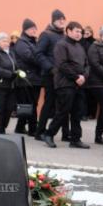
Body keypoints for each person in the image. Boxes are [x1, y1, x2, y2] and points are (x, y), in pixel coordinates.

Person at [42, 21, 90, 149]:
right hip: (65, 83)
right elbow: (62, 65)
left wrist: (84, 76)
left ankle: (75, 139)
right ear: (68, 31)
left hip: (79, 83)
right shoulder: (61, 45)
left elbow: (86, 65)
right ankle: (49, 134)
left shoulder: (80, 47)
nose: (79, 34)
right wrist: (76, 77)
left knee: (77, 112)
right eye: (76, 31)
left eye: (81, 32)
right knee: (63, 111)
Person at [34, 9, 68, 141]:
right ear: (53, 20)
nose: (61, 21)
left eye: (63, 19)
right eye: (59, 19)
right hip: (50, 75)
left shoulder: (64, 36)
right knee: (49, 103)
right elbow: (39, 54)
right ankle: (40, 131)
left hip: (62, 75)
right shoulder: (46, 34)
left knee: (63, 104)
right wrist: (50, 68)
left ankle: (65, 133)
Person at [13, 19, 42, 135]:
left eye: (35, 28)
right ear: (25, 30)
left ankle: (20, 127)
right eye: (32, 29)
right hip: (26, 79)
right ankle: (32, 129)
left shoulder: (33, 42)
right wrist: (42, 59)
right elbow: (29, 57)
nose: (34, 30)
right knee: (30, 104)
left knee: (30, 104)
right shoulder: (21, 43)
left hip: (34, 78)